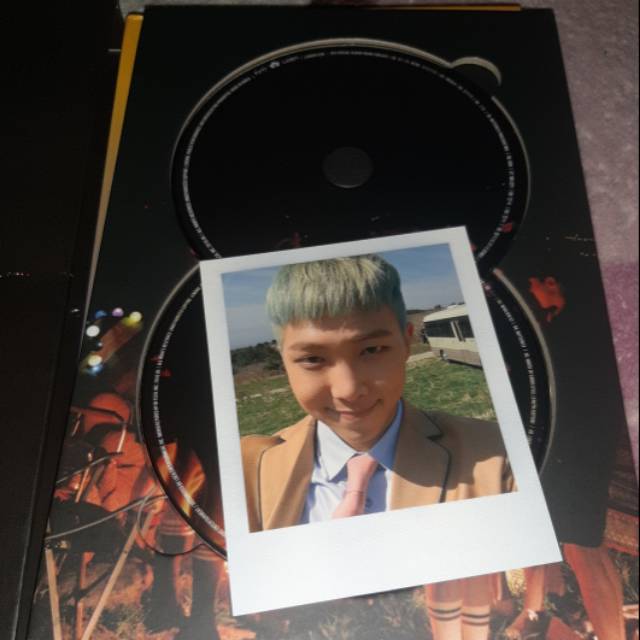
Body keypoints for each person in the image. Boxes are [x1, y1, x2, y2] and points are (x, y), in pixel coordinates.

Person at [240, 254, 513, 532]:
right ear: (283, 361)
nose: (348, 390)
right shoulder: (244, 471)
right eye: (312, 359)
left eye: (372, 350)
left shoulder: (501, 455)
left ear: (407, 343)